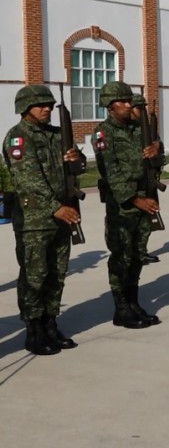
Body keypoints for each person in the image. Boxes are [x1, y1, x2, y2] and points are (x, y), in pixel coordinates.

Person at [3, 85, 85, 355]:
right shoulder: (18, 138)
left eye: (49, 104)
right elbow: (28, 179)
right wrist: (54, 207)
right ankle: (34, 329)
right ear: (25, 108)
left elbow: (80, 165)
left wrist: (77, 159)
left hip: (63, 215)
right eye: (40, 105)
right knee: (35, 276)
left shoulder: (57, 135)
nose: (47, 108)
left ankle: (51, 323)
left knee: (57, 274)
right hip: (34, 221)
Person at [93, 81, 161, 328]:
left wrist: (157, 151)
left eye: (128, 100)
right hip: (123, 205)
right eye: (122, 101)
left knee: (136, 256)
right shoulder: (103, 133)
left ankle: (133, 302)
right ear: (110, 106)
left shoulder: (137, 129)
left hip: (145, 198)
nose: (128, 105)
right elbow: (110, 171)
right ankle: (121, 308)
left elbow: (155, 159)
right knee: (121, 256)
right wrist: (134, 199)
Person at [130, 94, 161, 265]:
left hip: (148, 180)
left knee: (146, 220)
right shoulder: (126, 131)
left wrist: (158, 149)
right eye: (138, 108)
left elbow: (160, 156)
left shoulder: (148, 130)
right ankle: (134, 252)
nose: (142, 112)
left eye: (144, 108)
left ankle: (142, 250)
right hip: (130, 186)